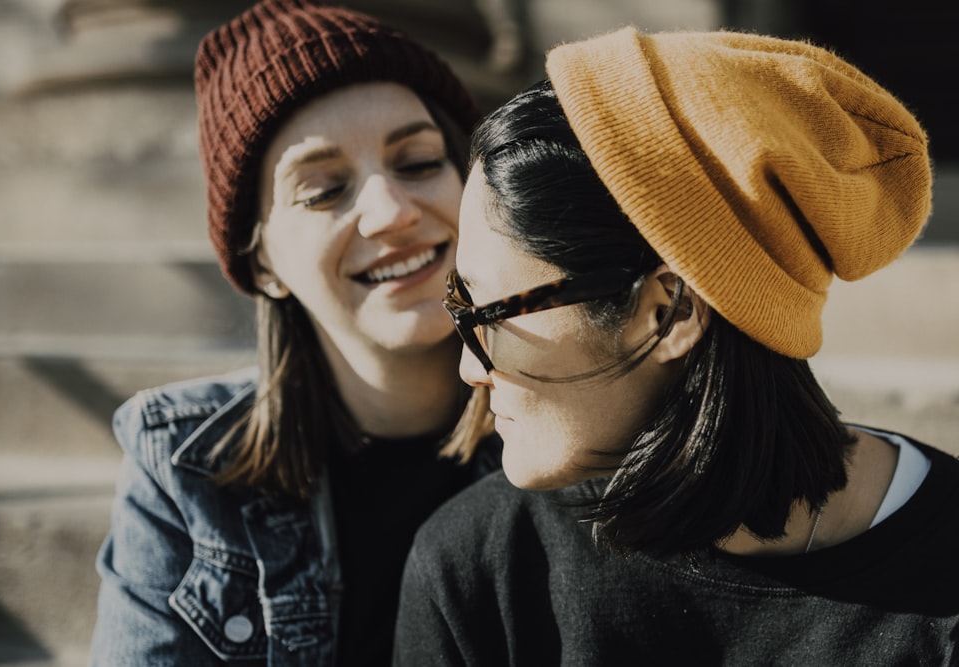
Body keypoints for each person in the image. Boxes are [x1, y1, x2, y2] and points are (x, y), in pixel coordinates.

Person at [394, 26, 959, 665]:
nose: (470, 366)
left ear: (670, 310)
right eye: (461, 306)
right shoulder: (484, 567)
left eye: (490, 313)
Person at [88, 0, 496, 664]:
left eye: (419, 161)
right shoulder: (186, 470)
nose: (391, 212)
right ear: (263, 263)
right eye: (324, 189)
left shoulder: (577, 426)